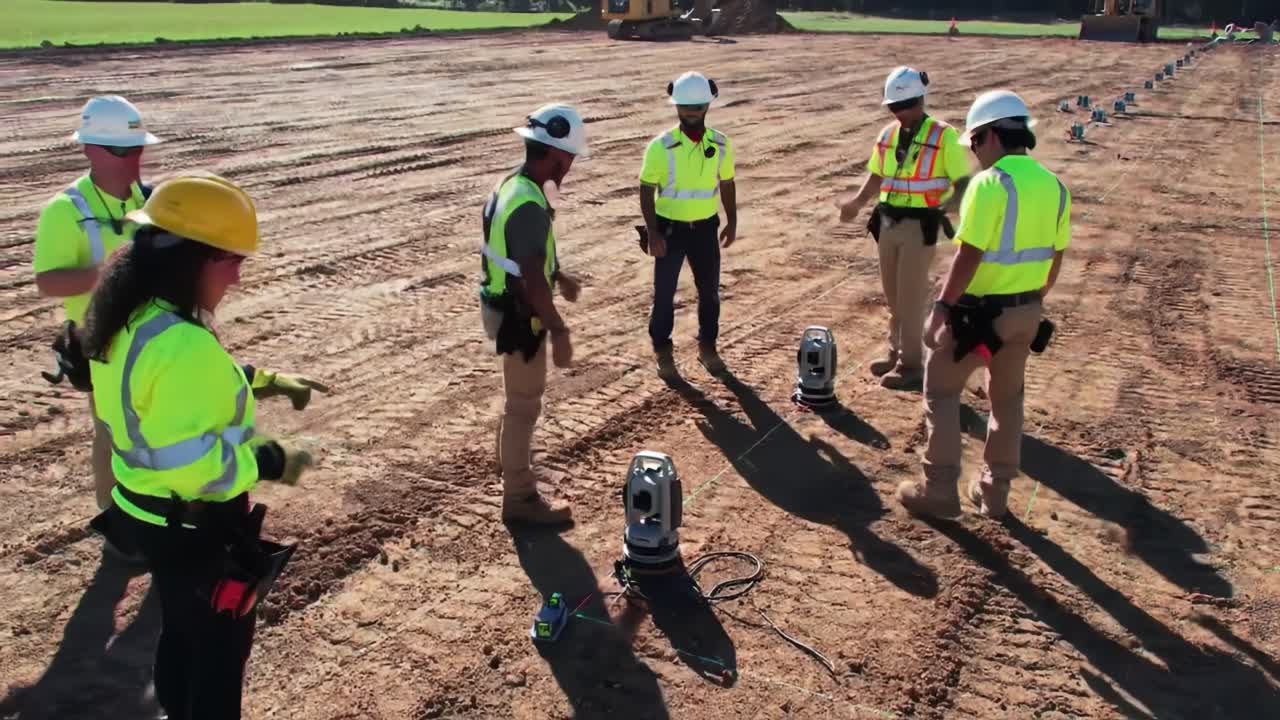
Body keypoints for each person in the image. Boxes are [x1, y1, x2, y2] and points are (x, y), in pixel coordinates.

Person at [82, 174, 321, 719]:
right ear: (193, 258)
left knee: (182, 635)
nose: (238, 276)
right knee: (216, 660)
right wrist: (270, 458)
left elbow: (167, 386)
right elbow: (196, 468)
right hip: (195, 528)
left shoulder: (134, 316)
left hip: (146, 513)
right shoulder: (184, 344)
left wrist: (265, 377)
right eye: (231, 259)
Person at [895, 90, 1070, 520]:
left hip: (976, 316)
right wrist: (1029, 302)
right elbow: (1055, 259)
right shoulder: (1055, 186)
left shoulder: (990, 185)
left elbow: (968, 255)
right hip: (1026, 313)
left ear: (992, 136)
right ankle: (994, 496)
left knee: (941, 388)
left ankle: (939, 490)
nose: (973, 152)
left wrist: (941, 308)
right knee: (1007, 401)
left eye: (974, 142)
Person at [33, 95, 161, 519]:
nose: (132, 158)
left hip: (159, 337)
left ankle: (158, 507)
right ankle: (114, 518)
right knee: (113, 434)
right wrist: (108, 272)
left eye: (137, 147)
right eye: (120, 149)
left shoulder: (151, 199)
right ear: (88, 149)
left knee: (163, 427)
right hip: (104, 344)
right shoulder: (66, 211)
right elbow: (47, 280)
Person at [479, 103, 590, 525]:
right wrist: (559, 329)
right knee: (524, 404)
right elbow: (529, 276)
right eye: (571, 159)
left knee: (516, 399)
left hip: (499, 303)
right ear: (556, 155)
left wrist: (558, 273)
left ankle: (508, 463)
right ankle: (520, 497)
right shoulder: (528, 204)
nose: (570, 168)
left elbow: (521, 256)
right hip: (520, 313)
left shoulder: (514, 185)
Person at [836, 67, 972, 391]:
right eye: (895, 107)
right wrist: (857, 202)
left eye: (907, 104)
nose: (901, 112)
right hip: (888, 224)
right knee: (893, 294)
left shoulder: (943, 135)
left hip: (919, 226)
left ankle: (912, 365)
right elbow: (876, 174)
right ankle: (895, 352)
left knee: (911, 298)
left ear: (921, 100)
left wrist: (949, 206)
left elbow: (964, 183)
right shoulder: (887, 135)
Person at [639, 71, 737, 380]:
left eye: (697, 106)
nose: (691, 112)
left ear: (708, 106)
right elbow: (645, 189)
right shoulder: (660, 147)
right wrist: (653, 232)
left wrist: (732, 220)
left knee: (709, 293)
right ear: (676, 106)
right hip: (669, 231)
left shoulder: (721, 144)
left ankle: (708, 348)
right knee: (664, 293)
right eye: (685, 106)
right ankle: (663, 351)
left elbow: (727, 182)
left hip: (705, 229)